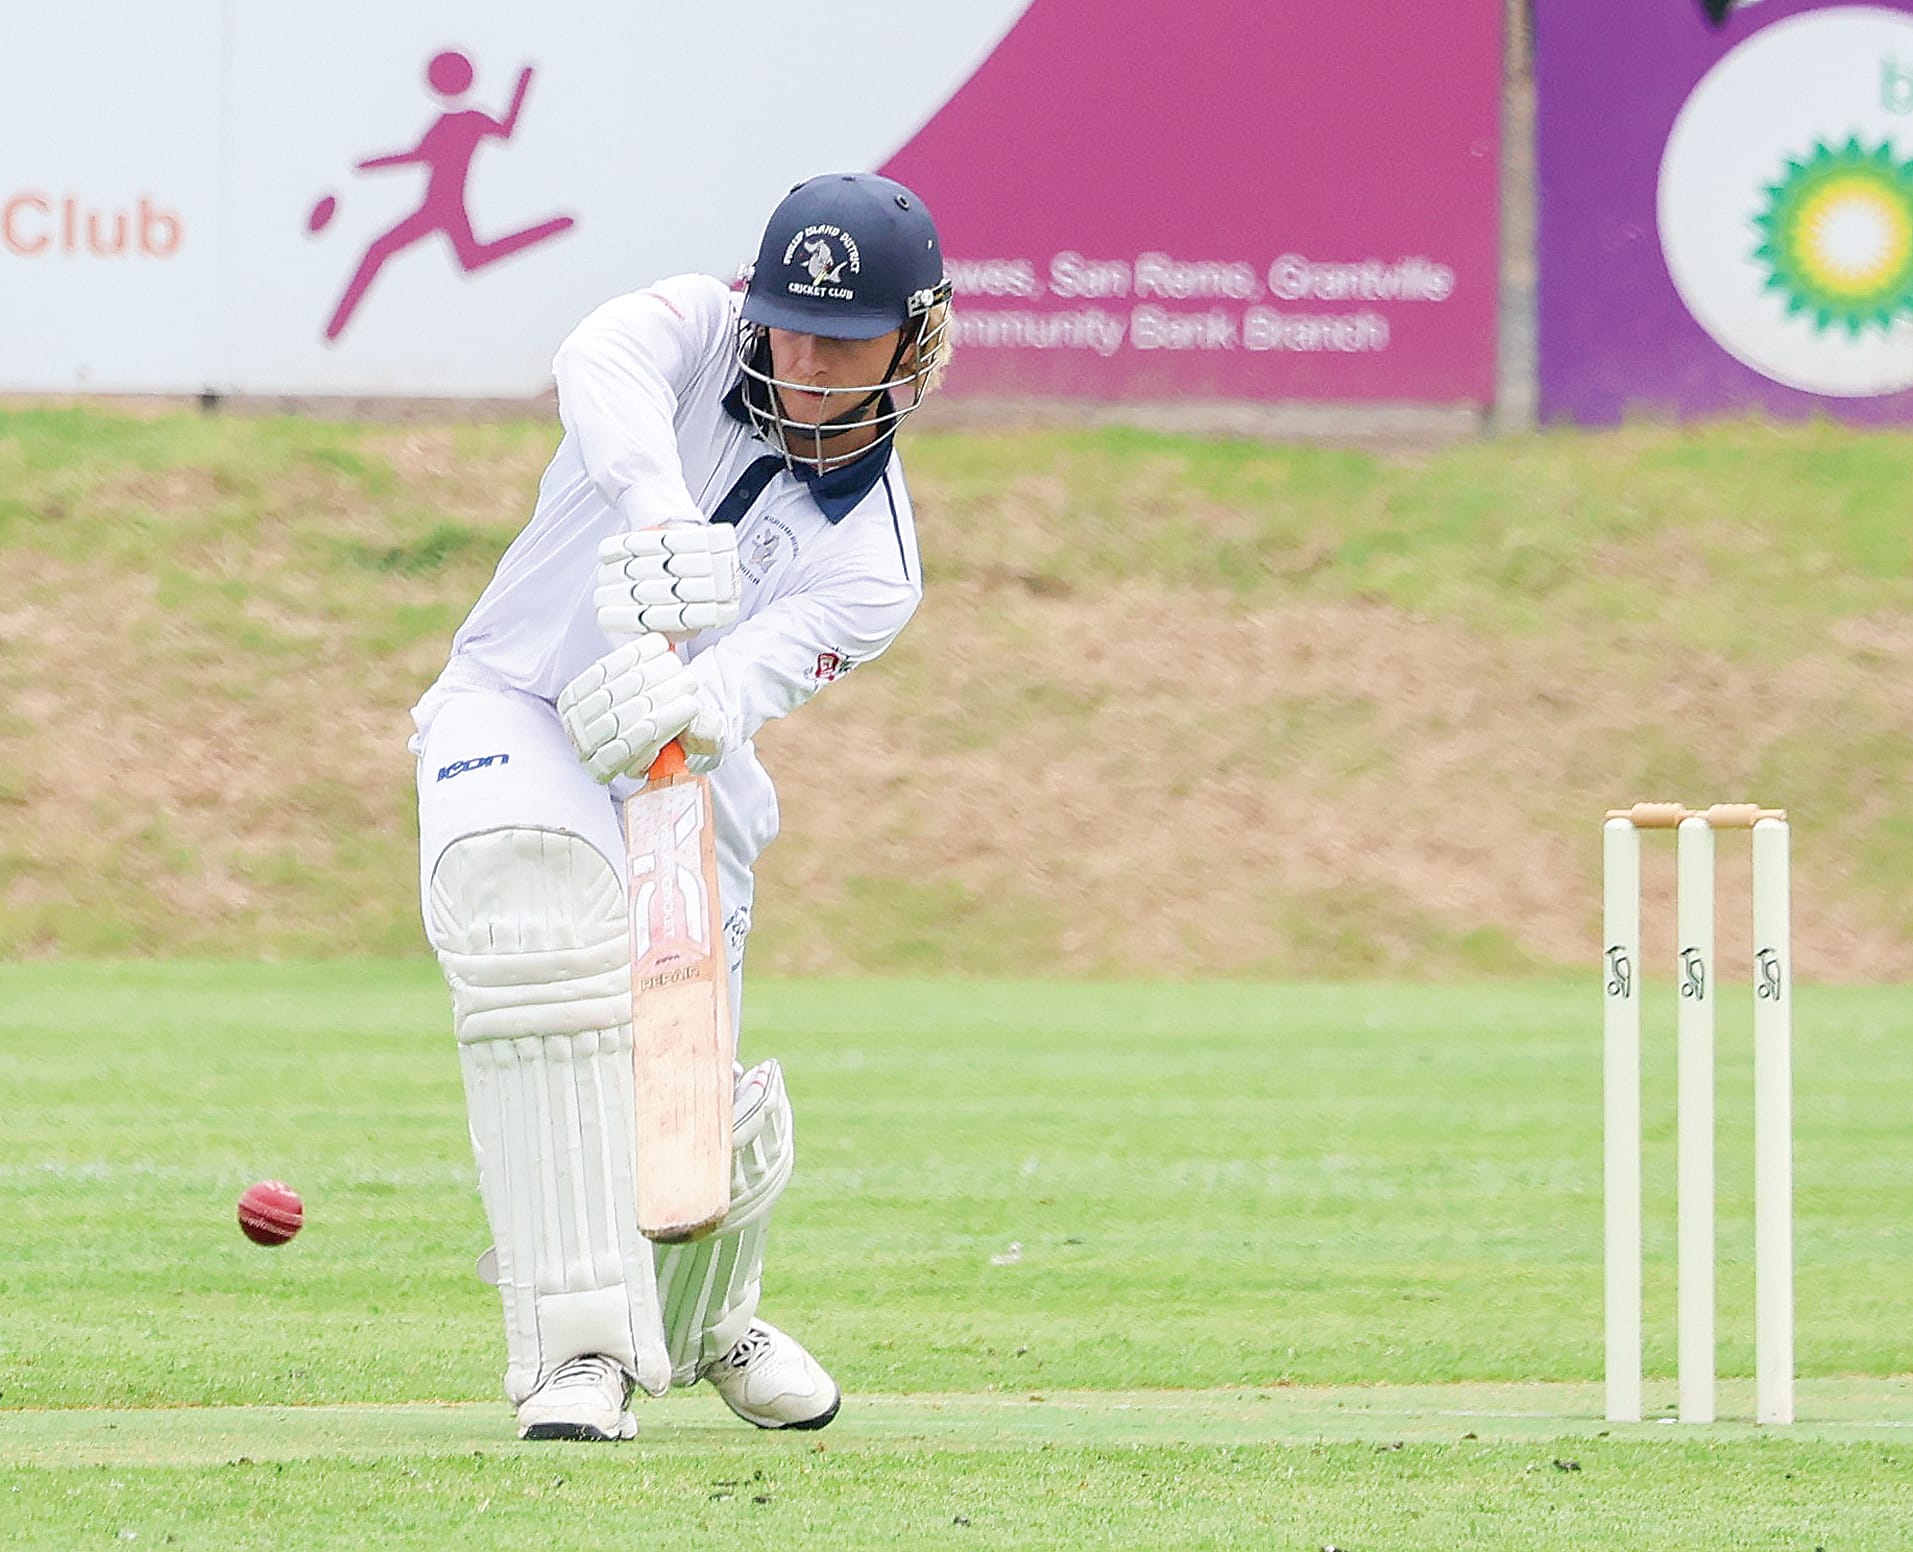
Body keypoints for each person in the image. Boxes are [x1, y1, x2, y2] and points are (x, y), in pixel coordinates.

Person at [408, 172, 952, 1441]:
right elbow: (595, 353)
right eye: (789, 325)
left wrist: (686, 707)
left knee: (681, 1072)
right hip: (510, 701)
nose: (805, 361)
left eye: (844, 338)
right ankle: (575, 1359)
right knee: (536, 923)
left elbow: (728, 692)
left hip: (680, 764)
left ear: (911, 345)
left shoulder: (871, 563)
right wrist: (656, 507)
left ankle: (708, 1318)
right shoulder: (699, 330)